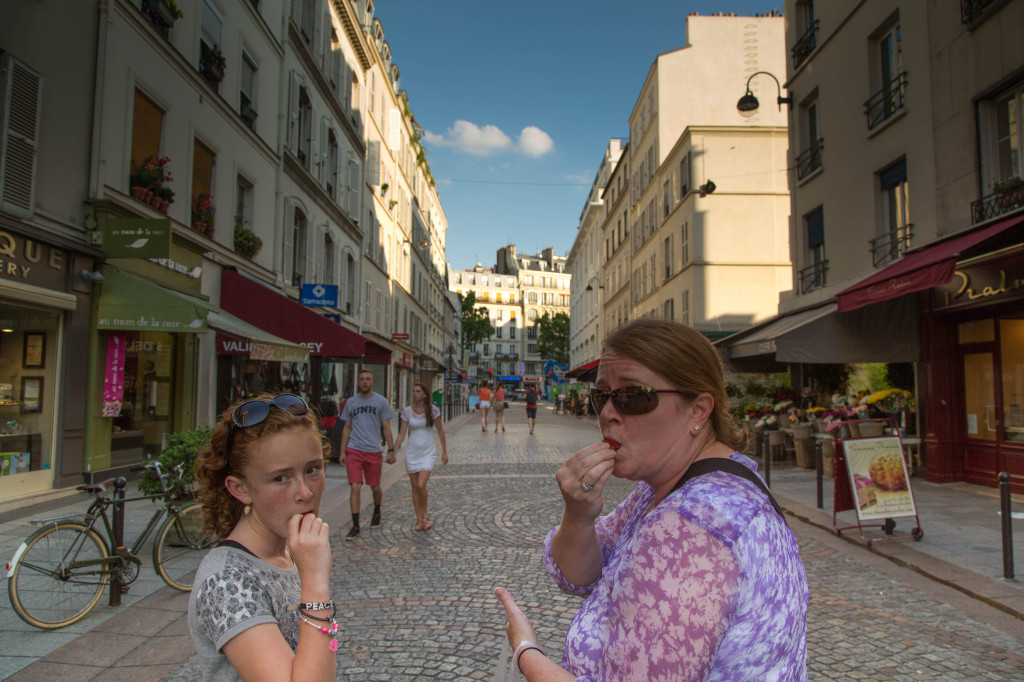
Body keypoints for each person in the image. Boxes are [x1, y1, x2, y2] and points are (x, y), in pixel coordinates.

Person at [495, 318, 809, 680]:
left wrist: (525, 651)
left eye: (633, 396)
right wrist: (578, 515)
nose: (609, 413)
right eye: (602, 397)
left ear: (698, 410)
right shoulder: (672, 486)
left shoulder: (691, 528)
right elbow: (577, 576)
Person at [189, 393, 336, 681]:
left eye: (312, 469)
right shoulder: (226, 580)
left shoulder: (291, 551)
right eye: (280, 478)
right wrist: (316, 585)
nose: (305, 492)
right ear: (240, 488)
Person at [339, 369, 396, 541]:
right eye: (362, 379)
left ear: (372, 382)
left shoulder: (381, 402)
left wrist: (391, 450)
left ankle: (377, 509)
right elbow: (347, 427)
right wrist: (342, 450)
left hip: (373, 450)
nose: (364, 382)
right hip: (355, 449)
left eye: (368, 379)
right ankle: (355, 525)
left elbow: (386, 427)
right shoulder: (351, 402)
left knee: (375, 487)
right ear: (358, 382)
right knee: (355, 486)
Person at [394, 383, 448, 531]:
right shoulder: (407, 412)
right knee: (414, 488)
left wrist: (444, 451)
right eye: (413, 391)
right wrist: (392, 450)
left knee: (420, 485)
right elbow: (401, 434)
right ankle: (419, 519)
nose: (415, 393)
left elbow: (441, 431)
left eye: (418, 391)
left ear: (425, 394)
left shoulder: (433, 411)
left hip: (427, 452)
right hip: (412, 453)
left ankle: (425, 516)